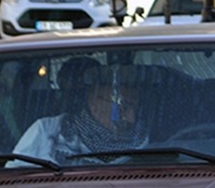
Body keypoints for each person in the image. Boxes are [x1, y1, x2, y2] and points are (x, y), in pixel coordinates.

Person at [13, 59, 146, 163]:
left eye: (136, 107)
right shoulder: (46, 132)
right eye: (123, 107)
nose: (132, 118)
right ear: (94, 103)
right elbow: (16, 179)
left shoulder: (150, 143)